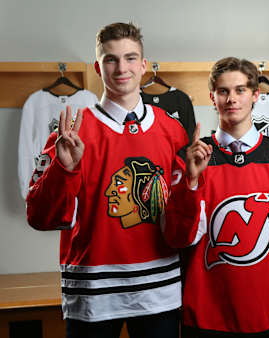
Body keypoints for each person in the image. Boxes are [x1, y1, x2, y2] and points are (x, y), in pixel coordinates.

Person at [26, 22, 188, 338]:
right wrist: (63, 168)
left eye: (130, 58)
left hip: (160, 291)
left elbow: (185, 217)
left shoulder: (172, 130)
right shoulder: (72, 131)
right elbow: (40, 217)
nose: (121, 68)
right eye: (111, 59)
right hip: (92, 293)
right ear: (98, 67)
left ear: (143, 66)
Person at [164, 57, 269, 338]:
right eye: (223, 91)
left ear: (256, 94)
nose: (231, 99)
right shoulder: (190, 158)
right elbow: (176, 237)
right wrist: (192, 181)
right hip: (205, 316)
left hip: (267, 315)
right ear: (212, 97)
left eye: (240, 90)